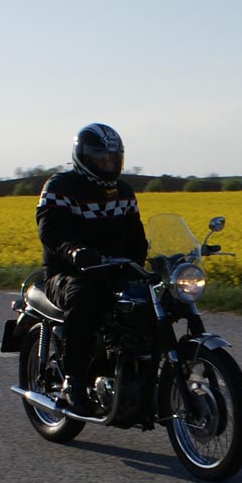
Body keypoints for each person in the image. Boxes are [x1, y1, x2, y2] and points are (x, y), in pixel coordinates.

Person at [36, 123, 148, 414]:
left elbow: (137, 238)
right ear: (83, 156)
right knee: (84, 296)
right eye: (101, 157)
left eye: (113, 157)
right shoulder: (60, 187)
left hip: (112, 271)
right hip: (67, 273)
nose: (107, 163)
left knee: (154, 298)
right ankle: (72, 381)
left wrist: (145, 265)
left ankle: (141, 370)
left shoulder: (123, 192)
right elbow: (50, 231)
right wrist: (74, 252)